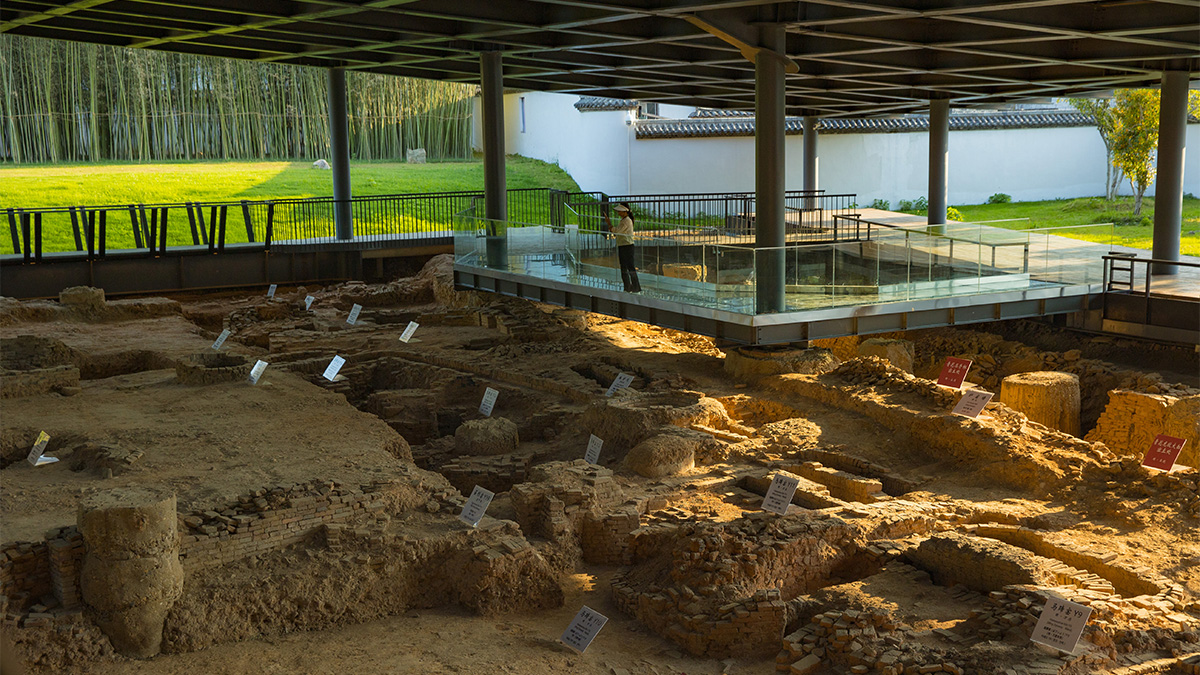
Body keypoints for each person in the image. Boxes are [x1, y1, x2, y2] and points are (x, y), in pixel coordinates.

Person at [606, 202, 641, 293]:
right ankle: (629, 287)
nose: (618, 213)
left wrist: (609, 224)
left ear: (625, 211)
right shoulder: (624, 220)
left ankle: (634, 287)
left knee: (629, 267)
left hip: (627, 246)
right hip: (624, 245)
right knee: (625, 267)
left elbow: (617, 231)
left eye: (620, 211)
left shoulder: (626, 221)